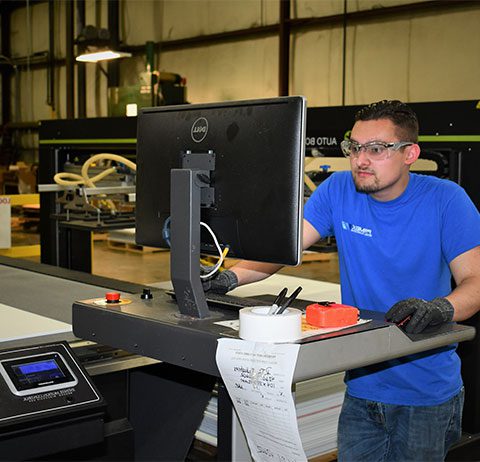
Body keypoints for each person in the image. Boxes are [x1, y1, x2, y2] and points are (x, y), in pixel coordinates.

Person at [204, 99, 480, 461]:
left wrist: (441, 308)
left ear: (410, 153)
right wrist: (228, 277)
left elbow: (474, 281)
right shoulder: (338, 190)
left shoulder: (446, 200)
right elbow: (286, 250)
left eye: (376, 149)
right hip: (362, 384)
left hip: (424, 392)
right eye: (354, 147)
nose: (360, 160)